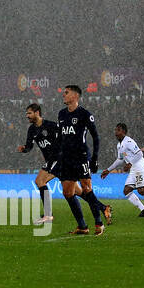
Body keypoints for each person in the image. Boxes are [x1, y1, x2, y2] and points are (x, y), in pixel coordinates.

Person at [57, 85, 111, 235]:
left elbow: (96, 137)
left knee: (87, 189)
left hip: (81, 157)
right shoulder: (61, 114)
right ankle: (82, 226)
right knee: (67, 193)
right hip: (67, 159)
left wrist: (94, 158)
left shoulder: (84, 114)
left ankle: (99, 223)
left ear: (75, 96)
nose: (64, 95)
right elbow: (61, 137)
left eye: (66, 93)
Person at [100, 123, 144, 217]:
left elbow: (139, 154)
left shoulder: (129, 142)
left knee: (141, 190)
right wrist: (108, 170)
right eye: (115, 130)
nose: (115, 133)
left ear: (123, 131)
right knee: (127, 190)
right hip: (134, 169)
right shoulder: (120, 145)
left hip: (140, 167)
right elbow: (120, 159)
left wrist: (130, 163)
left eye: (118, 130)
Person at [17, 103, 58, 225]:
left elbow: (64, 138)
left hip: (58, 159)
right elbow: (29, 146)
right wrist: (24, 149)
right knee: (73, 191)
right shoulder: (32, 129)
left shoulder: (50, 125)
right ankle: (102, 208)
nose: (27, 116)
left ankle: (48, 214)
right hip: (50, 160)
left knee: (40, 181)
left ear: (37, 113)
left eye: (29, 113)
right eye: (27, 113)